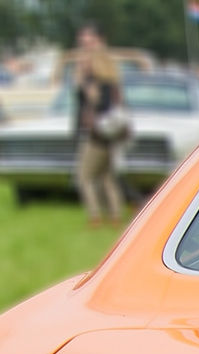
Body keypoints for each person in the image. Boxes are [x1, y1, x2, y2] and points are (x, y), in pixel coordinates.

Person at [72, 25, 126, 226]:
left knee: (84, 176)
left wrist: (84, 86)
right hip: (111, 133)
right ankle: (115, 216)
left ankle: (95, 217)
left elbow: (96, 105)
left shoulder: (95, 83)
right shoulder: (112, 80)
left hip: (97, 134)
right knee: (107, 177)